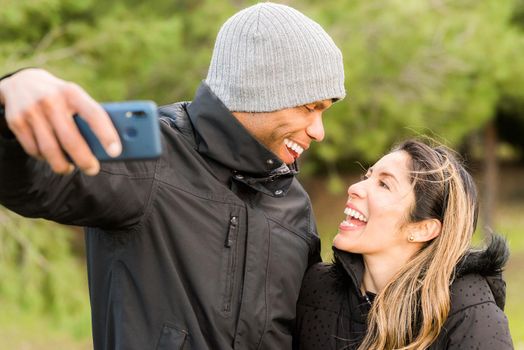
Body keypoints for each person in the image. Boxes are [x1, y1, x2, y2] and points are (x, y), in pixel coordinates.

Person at [0, 2, 346, 349]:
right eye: (309, 107)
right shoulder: (150, 158)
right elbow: (31, 185)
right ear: (259, 91)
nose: (320, 132)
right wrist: (10, 105)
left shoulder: (295, 205)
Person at [294, 139, 513, 350]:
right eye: (367, 176)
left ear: (422, 229)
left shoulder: (469, 311)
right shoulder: (316, 288)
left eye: (383, 184)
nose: (355, 188)